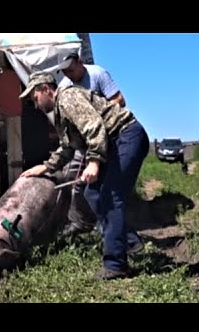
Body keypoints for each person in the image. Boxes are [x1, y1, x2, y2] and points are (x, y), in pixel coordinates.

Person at [19, 71, 150, 280]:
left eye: (35, 98)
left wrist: (94, 162)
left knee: (109, 196)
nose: (36, 105)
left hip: (126, 136)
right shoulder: (61, 113)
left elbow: (93, 126)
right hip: (115, 142)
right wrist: (45, 167)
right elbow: (67, 148)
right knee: (93, 194)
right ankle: (127, 238)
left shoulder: (68, 98)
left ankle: (116, 265)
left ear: (45, 89)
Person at [55, 50, 144, 255]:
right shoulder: (65, 88)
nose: (68, 74)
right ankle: (115, 234)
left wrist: (96, 113)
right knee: (86, 190)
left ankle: (114, 247)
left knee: (109, 192)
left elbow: (119, 100)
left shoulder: (97, 74)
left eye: (70, 69)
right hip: (88, 142)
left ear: (79, 62)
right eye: (64, 72)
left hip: (109, 136)